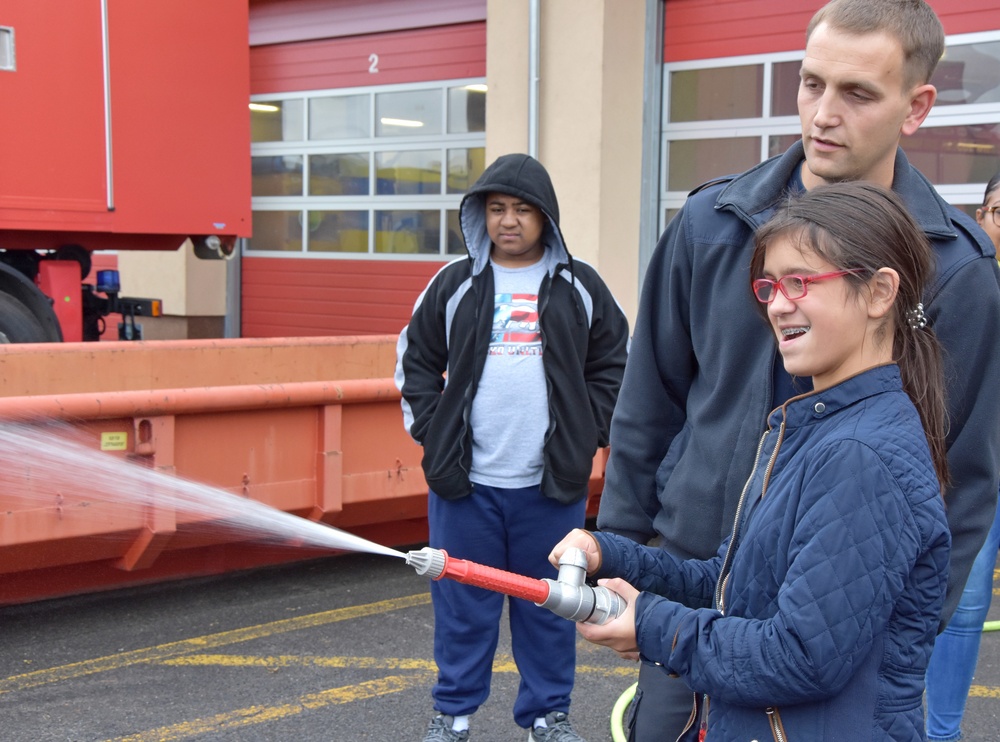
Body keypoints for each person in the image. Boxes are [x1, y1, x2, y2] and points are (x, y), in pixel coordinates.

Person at [595, 1, 1000, 739]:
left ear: (918, 107)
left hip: (836, 642)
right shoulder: (710, 226)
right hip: (695, 593)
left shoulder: (956, 272)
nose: (822, 113)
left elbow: (964, 480)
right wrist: (628, 563)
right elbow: (648, 404)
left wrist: (900, 639)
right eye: (810, 84)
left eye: (857, 93)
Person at [554, 181, 952, 740]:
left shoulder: (859, 454)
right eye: (769, 286)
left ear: (880, 292)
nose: (777, 304)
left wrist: (652, 626)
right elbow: (735, 586)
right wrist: (612, 554)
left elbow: (800, 656)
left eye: (800, 282)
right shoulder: (819, 427)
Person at [395, 153, 630, 742]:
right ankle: (452, 718)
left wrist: (589, 430)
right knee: (461, 610)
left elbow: (616, 365)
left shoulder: (580, 285)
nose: (508, 221)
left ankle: (548, 719)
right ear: (479, 216)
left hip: (550, 489)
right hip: (465, 485)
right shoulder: (454, 283)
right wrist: (433, 428)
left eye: (522, 210)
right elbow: (416, 361)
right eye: (496, 209)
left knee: (551, 608)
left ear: (545, 218)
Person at [924, 172, 1000, 742]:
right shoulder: (969, 281)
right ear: (983, 215)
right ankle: (942, 734)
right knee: (964, 603)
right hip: (981, 469)